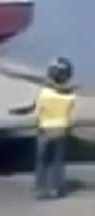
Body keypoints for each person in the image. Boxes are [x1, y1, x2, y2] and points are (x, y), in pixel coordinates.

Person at [11, 57, 76, 200]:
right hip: (62, 130)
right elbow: (70, 112)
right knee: (57, 160)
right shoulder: (71, 95)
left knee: (43, 160)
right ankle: (56, 188)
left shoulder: (45, 93)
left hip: (45, 130)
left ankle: (41, 188)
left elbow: (38, 111)